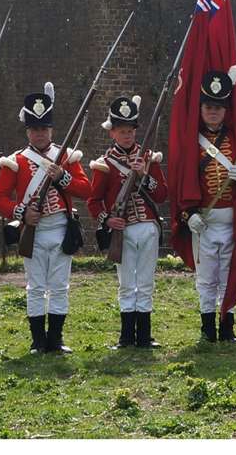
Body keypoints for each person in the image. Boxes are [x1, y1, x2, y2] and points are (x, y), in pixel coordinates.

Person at [0, 84, 90, 355]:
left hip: (60, 227)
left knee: (59, 287)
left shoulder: (66, 157)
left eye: (44, 129)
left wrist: (63, 177)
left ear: (51, 130)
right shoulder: (16, 161)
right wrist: (22, 213)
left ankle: (55, 340)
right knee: (35, 287)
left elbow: (86, 189)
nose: (40, 134)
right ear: (28, 131)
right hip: (32, 230)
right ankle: (38, 341)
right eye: (35, 129)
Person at [176, 67, 236, 344]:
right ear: (201, 109)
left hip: (233, 221)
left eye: (218, 108)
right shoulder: (191, 143)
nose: (213, 112)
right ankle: (206, 328)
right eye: (209, 107)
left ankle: (227, 328)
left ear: (226, 110)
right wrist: (187, 215)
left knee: (229, 275)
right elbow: (182, 181)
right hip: (204, 221)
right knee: (206, 278)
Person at [86, 94, 165, 348]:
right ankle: (125, 336)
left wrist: (144, 175)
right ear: (113, 133)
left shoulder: (149, 159)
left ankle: (144, 336)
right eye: (122, 131)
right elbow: (94, 201)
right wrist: (108, 220)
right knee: (126, 283)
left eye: (130, 131)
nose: (127, 136)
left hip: (148, 228)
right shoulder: (105, 164)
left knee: (145, 282)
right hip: (124, 230)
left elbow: (162, 193)